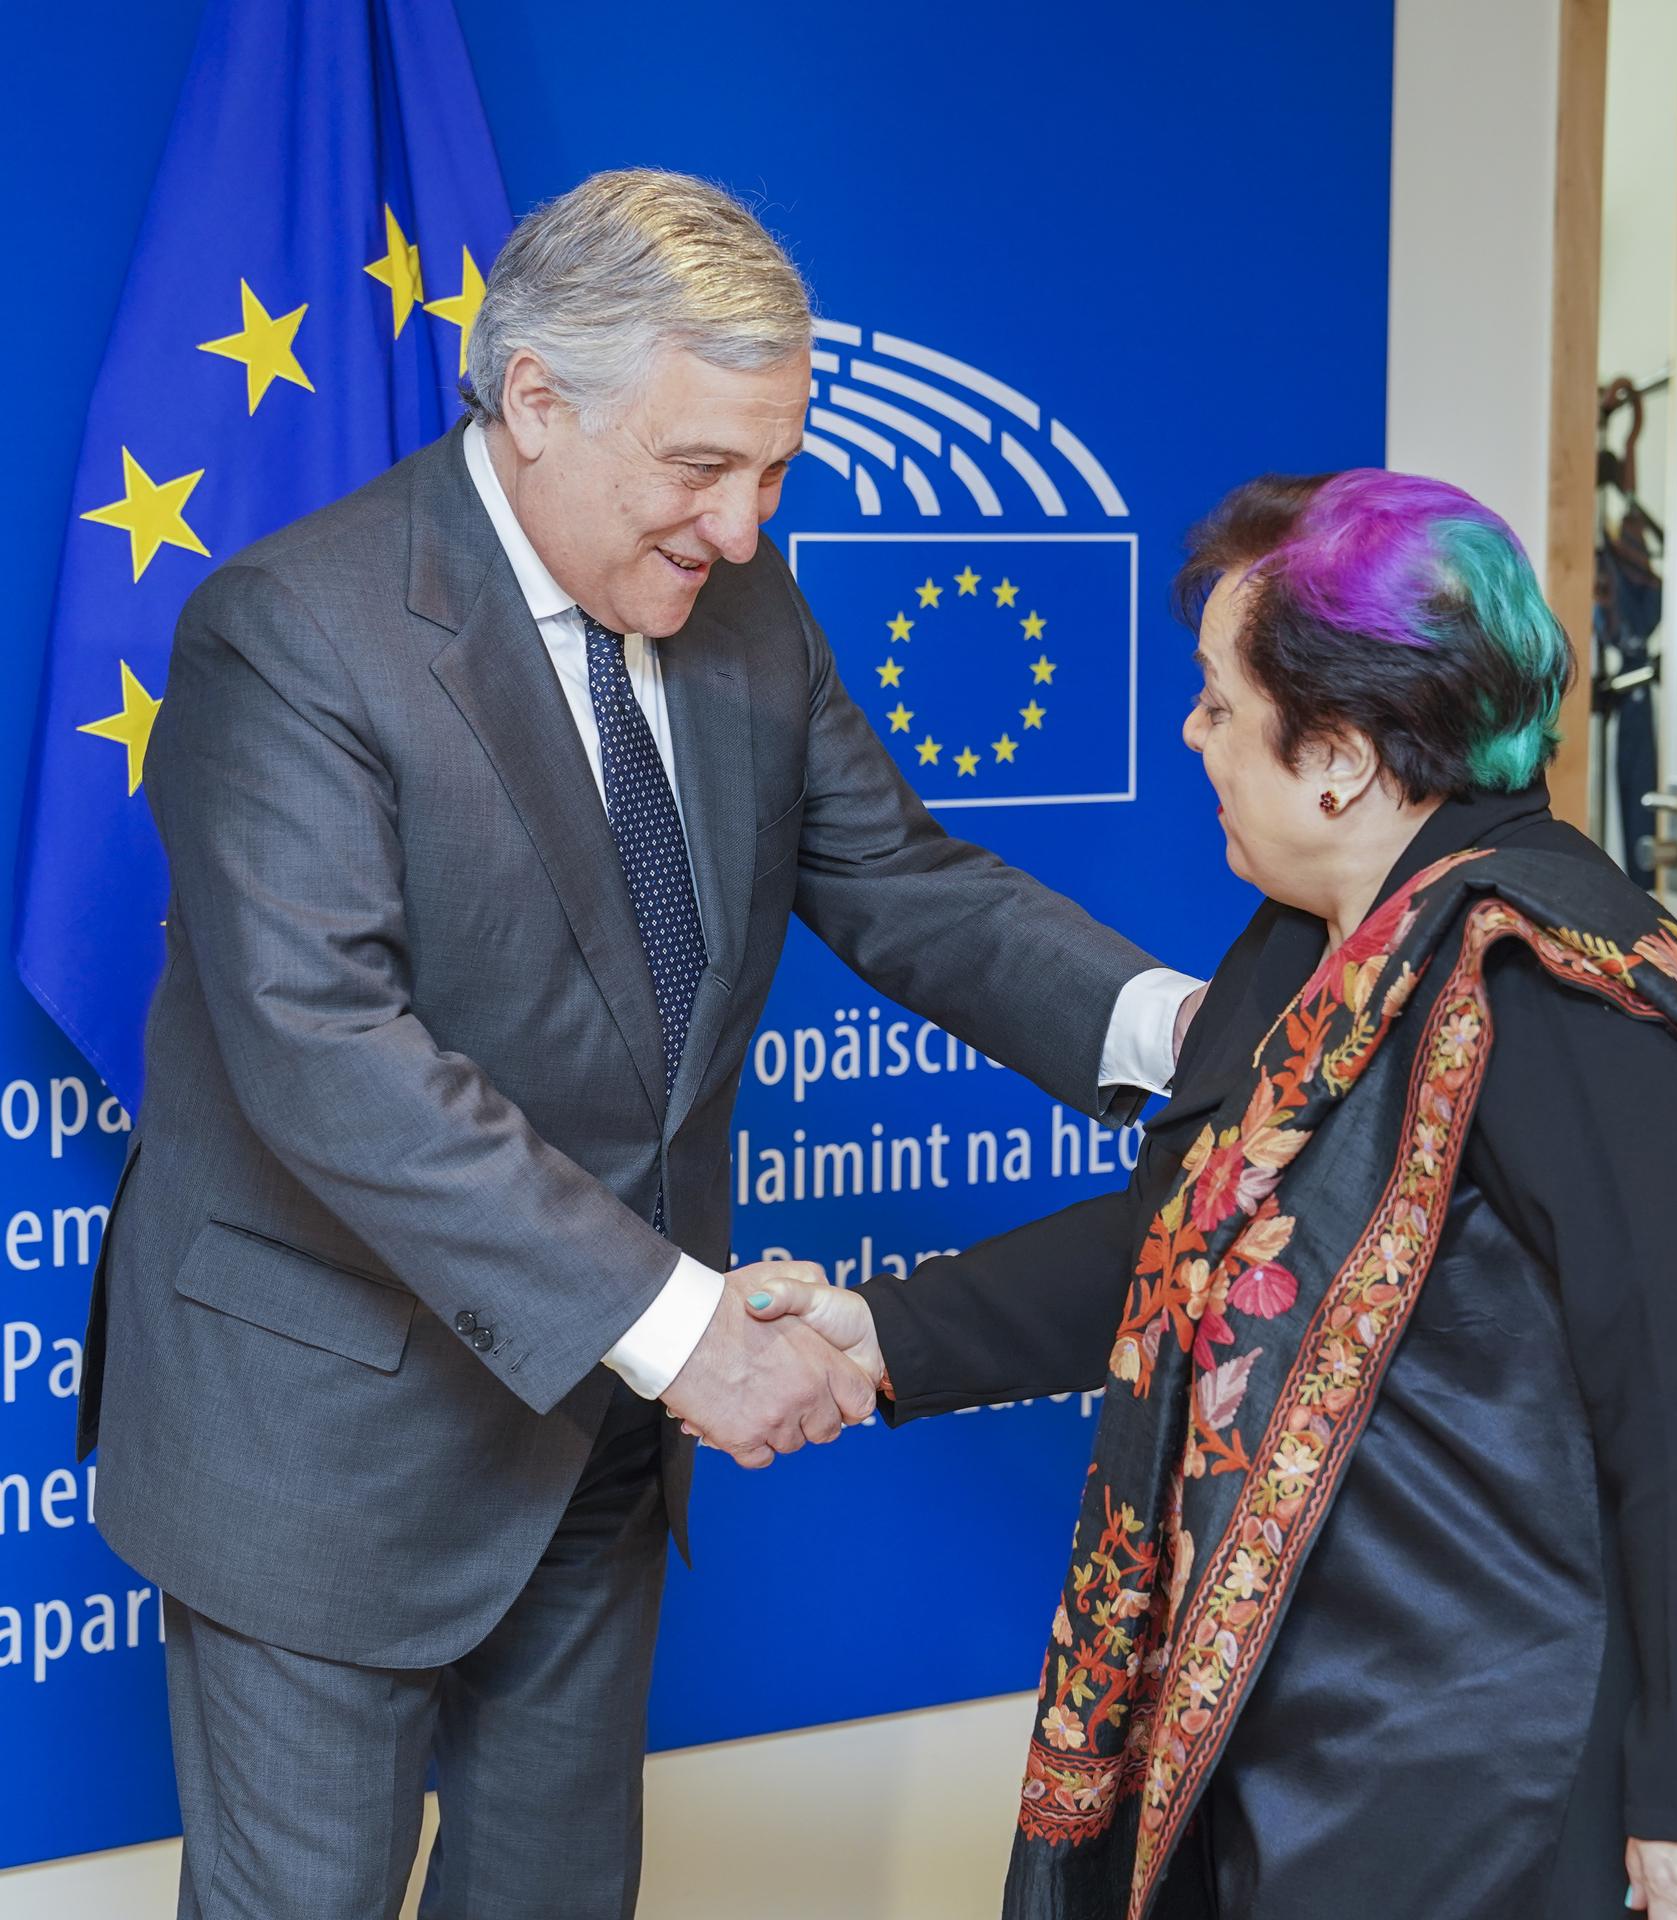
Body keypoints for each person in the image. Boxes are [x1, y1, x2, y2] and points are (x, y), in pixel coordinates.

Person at [76, 168, 1201, 1920]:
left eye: (774, 471)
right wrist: (682, 1332)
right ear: (535, 401)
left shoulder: (743, 603)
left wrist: (1201, 1047)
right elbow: (325, 1044)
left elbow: (900, 879)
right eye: (699, 469)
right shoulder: (296, 632)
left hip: (594, 1433)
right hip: (326, 1442)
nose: (743, 528)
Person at [743, 472, 1677, 1920]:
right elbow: (1205, 1245)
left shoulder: (1547, 977)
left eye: (1220, 707)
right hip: (1310, 1727)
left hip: (1498, 1768)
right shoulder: (1314, 948)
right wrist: (880, 1332)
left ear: (1341, 755)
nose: (1193, 736)